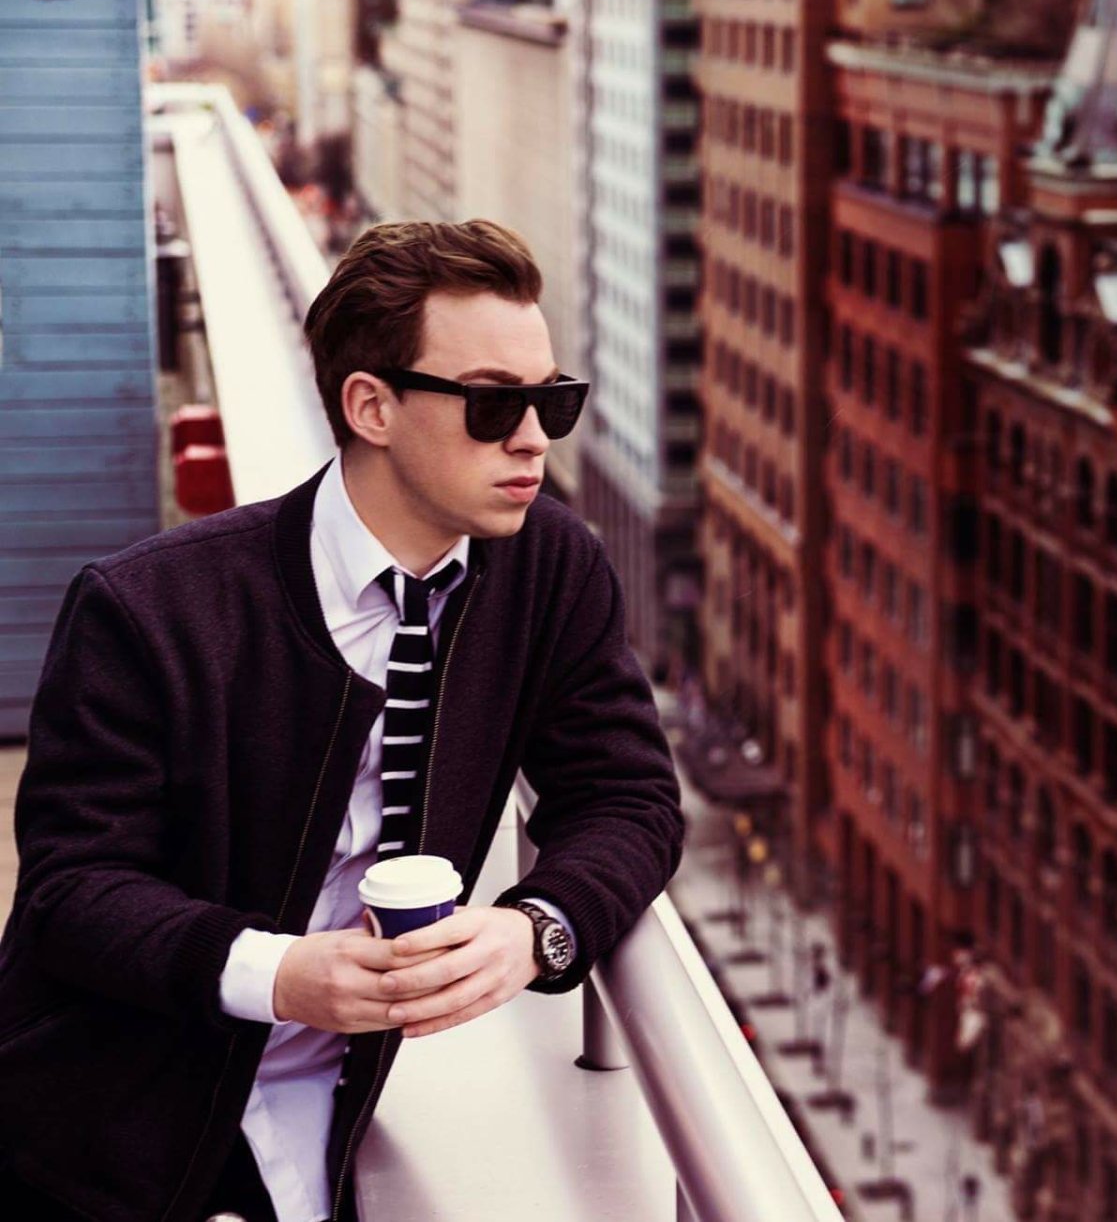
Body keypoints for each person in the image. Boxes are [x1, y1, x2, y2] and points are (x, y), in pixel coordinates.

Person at [0, 220, 686, 1221]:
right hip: (110, 1121)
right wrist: (285, 974)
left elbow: (627, 795)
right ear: (371, 405)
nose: (534, 437)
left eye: (550, 400)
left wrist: (535, 928)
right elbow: (70, 892)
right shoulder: (148, 608)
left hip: (337, 1103)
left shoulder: (548, 568)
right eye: (494, 403)